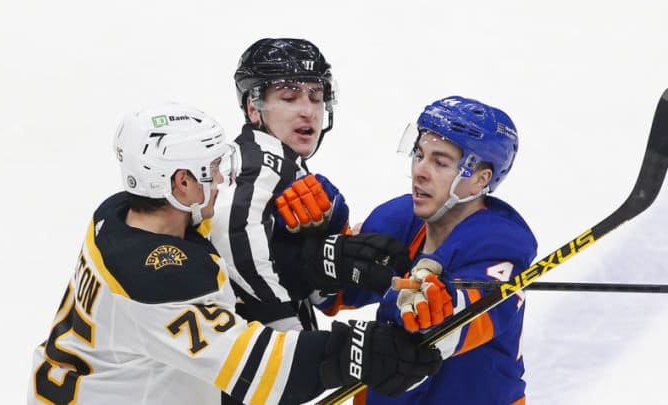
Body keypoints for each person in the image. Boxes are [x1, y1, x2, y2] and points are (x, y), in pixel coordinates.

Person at [27, 102, 443, 405]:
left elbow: (213, 251)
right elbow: (260, 372)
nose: (224, 176)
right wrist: (357, 351)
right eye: (210, 169)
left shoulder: (122, 216)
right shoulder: (154, 282)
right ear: (179, 182)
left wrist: (316, 262)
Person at [353, 96, 538, 405]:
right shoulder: (398, 220)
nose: (420, 172)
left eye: (440, 162)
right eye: (419, 154)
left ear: (481, 179)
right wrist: (315, 247)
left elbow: (460, 328)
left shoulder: (500, 244)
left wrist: (440, 308)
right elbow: (329, 293)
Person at [211, 38, 405, 333]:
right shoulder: (263, 160)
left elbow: (310, 289)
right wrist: (293, 336)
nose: (308, 110)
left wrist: (320, 261)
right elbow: (230, 230)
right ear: (253, 108)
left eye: (315, 97)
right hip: (241, 356)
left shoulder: (279, 164)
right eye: (290, 97)